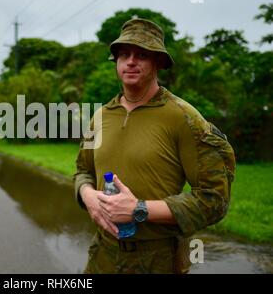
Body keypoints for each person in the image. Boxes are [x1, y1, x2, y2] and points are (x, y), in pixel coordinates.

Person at [74, 18, 236, 274]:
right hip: (102, 256)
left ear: (159, 62)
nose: (131, 61)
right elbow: (82, 170)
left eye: (142, 54)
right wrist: (87, 195)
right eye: (124, 54)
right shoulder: (101, 116)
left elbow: (214, 199)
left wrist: (140, 209)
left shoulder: (183, 117)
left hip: (156, 260)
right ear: (115, 61)